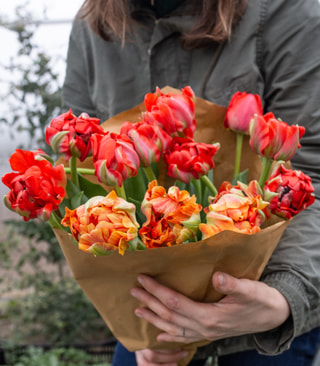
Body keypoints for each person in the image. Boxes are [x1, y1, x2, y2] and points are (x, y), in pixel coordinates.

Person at [61, 0, 320, 365]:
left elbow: (311, 167)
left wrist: (284, 296)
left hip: (261, 326)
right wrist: (134, 323)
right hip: (149, 328)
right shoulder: (95, 23)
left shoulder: (286, 11)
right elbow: (77, 159)